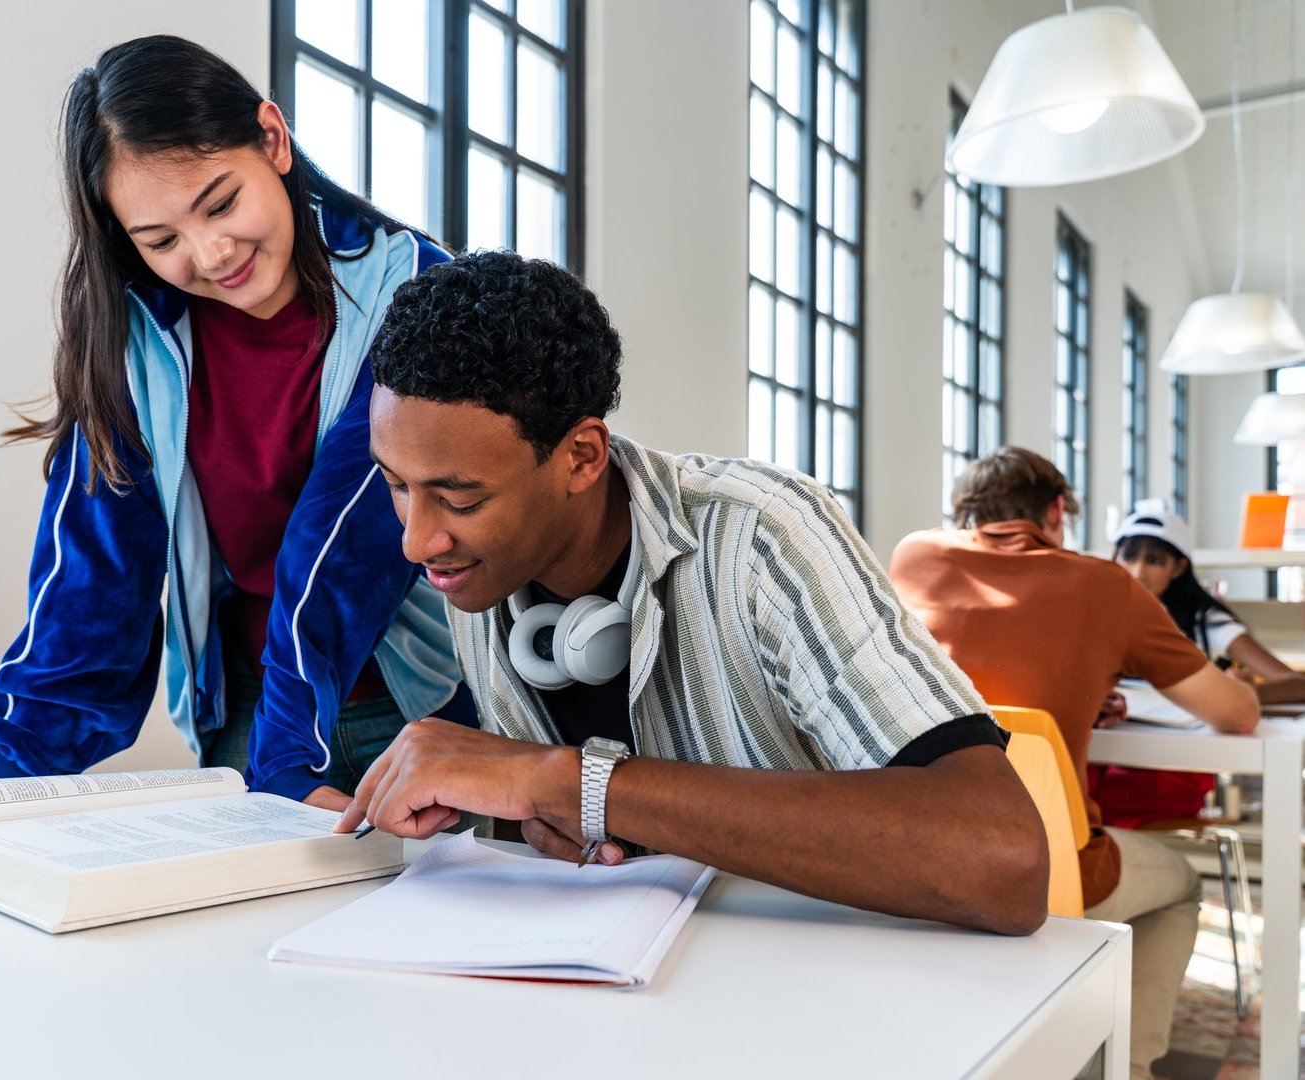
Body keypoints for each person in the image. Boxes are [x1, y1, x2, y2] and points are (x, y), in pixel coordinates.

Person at [0, 35, 467, 818]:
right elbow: (94, 571)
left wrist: (292, 759)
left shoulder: (418, 294)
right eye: (161, 241)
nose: (212, 252)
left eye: (221, 202)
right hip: (253, 715)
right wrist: (8, 767)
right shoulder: (134, 343)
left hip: (426, 712)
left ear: (272, 138)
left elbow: (344, 552)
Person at [333, 250, 1048, 937]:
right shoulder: (482, 576)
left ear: (581, 456)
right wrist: (548, 815)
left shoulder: (762, 534)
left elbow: (1003, 859)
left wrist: (572, 783)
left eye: (459, 498)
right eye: (398, 486)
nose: (417, 541)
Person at [887, 448, 1259, 1080]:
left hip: (906, 857)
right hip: (1044, 871)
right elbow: (1237, 715)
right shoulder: (1105, 584)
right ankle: (1125, 1067)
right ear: (1056, 512)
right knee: (1181, 887)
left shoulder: (911, 557)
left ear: (964, 514)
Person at [1092, 500, 1305, 827]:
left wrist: (1236, 694)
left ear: (1179, 567)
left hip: (1169, 768)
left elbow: (1297, 684)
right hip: (1106, 754)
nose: (1137, 572)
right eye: (1129, 557)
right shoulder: (1100, 616)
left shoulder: (1205, 622)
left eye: (1155, 560)